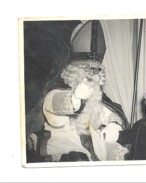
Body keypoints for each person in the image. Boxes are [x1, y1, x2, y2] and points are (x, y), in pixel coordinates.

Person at [26, 20, 129, 162]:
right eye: (86, 68)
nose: (92, 74)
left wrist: (114, 124)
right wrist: (74, 97)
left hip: (96, 147)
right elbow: (54, 102)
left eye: (96, 69)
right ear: (74, 71)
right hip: (64, 145)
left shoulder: (95, 97)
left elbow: (111, 113)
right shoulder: (57, 91)